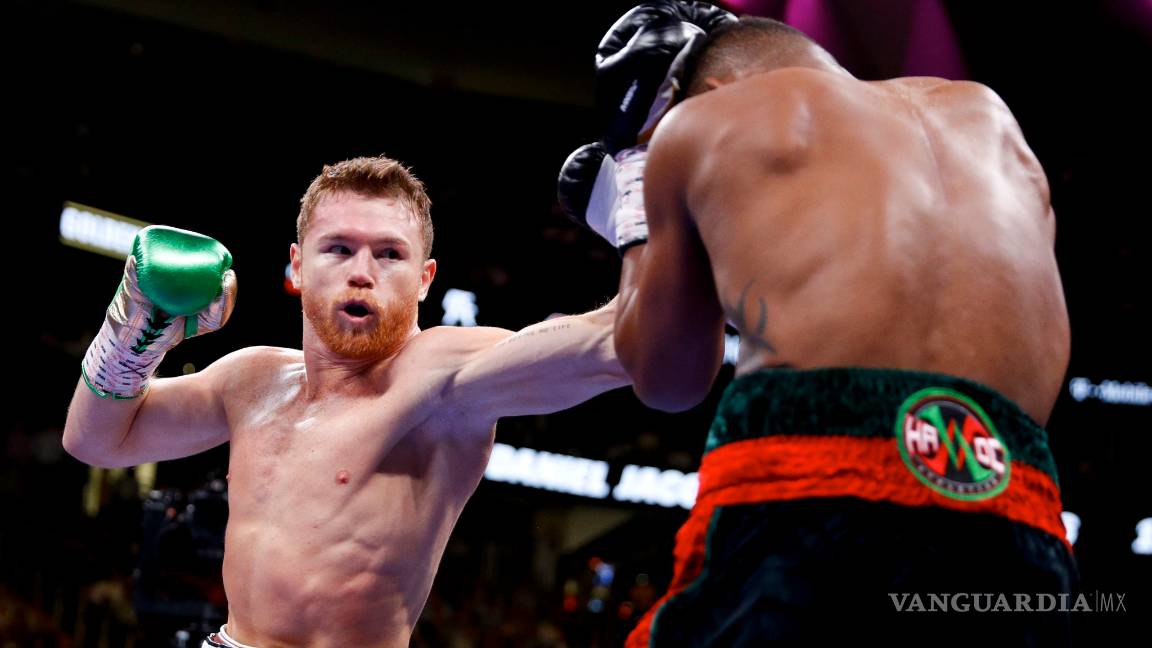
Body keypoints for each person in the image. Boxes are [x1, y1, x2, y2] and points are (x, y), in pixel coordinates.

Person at [559, 2, 1075, 645]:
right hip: (1013, 494)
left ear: (710, 88)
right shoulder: (987, 116)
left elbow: (667, 378)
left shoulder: (704, 119)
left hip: (815, 478)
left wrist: (636, 204)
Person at [64, 155, 629, 648]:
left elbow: (611, 348)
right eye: (339, 248)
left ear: (425, 278)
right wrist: (135, 332)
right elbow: (96, 440)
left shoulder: (440, 379)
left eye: (389, 254)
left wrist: (641, 221)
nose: (362, 273)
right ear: (298, 265)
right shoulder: (252, 379)